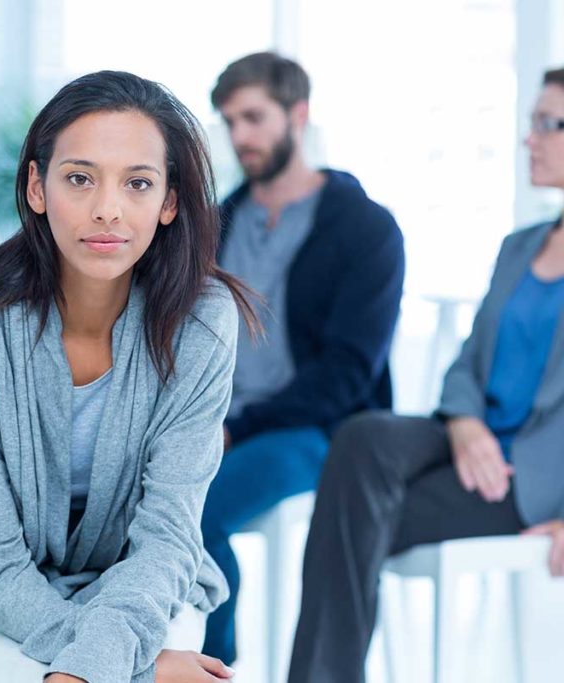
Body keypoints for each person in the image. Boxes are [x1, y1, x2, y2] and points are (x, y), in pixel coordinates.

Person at [0, 70, 258, 683]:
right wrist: (127, 669)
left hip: (146, 590)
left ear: (169, 200)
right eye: (79, 179)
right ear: (37, 187)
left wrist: (97, 660)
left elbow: (168, 536)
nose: (106, 210)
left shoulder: (203, 322)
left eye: (137, 183)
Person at [288, 66, 564, 683]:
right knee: (362, 436)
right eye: (532, 123)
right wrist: (464, 423)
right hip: (471, 439)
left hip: (531, 477)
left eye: (551, 124)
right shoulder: (521, 246)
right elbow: (470, 359)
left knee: (349, 516)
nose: (531, 139)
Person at [198, 51, 405, 664]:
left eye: (255, 118)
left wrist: (239, 428)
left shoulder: (365, 229)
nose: (241, 137)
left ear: (298, 114)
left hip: (313, 433)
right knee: (114, 499)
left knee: (194, 514)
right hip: (216, 423)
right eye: (231, 122)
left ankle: (209, 669)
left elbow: (348, 373)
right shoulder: (217, 223)